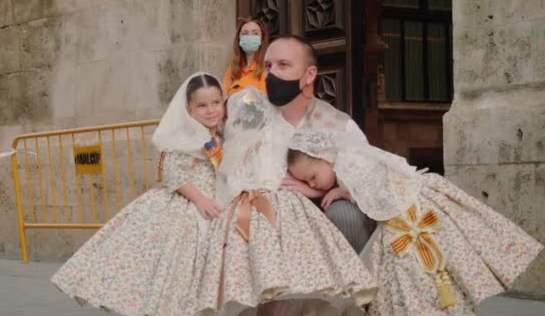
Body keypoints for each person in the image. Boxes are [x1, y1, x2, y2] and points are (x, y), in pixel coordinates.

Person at [287, 129, 544, 316]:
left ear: (324, 157)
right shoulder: (343, 166)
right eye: (308, 183)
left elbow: (377, 185)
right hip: (398, 218)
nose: (313, 184)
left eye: (312, 176)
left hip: (412, 210)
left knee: (424, 265)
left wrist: (345, 193)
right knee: (406, 272)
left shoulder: (350, 161)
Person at [51, 73, 226, 316]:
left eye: (216, 103)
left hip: (216, 204)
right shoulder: (183, 137)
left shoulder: (222, 135)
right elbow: (172, 174)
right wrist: (199, 200)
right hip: (187, 205)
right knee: (173, 266)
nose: (210, 110)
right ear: (189, 109)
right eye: (202, 105)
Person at [193, 86, 377, 316]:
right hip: (256, 208)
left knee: (287, 268)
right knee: (253, 266)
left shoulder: (281, 141)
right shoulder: (231, 149)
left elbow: (290, 173)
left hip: (277, 208)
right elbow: (225, 183)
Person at [263, 35, 376, 253]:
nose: (272, 73)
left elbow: (369, 181)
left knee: (344, 214)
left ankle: (352, 285)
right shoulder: (254, 122)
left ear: (310, 74)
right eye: (268, 66)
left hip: (326, 211)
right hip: (270, 211)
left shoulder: (339, 125)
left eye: (283, 65)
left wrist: (318, 192)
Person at [222, 18, 269, 97]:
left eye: (255, 33)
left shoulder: (269, 69)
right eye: (245, 33)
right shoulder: (231, 71)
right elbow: (223, 100)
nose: (249, 37)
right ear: (239, 39)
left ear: (262, 39)